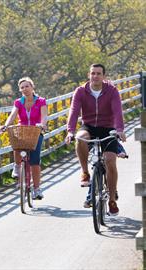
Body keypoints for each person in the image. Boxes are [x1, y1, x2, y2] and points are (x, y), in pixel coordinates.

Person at [65, 63, 126, 216]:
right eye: (93, 73)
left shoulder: (112, 91)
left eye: (99, 73)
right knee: (80, 138)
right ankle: (85, 172)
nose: (95, 76)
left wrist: (120, 130)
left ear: (104, 76)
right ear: (89, 75)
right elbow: (73, 112)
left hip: (108, 127)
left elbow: (117, 111)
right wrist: (70, 131)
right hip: (89, 126)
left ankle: (112, 200)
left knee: (110, 161)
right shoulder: (80, 91)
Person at [0, 77, 48, 200]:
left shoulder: (41, 101)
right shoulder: (18, 102)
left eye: (27, 86)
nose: (25, 89)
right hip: (22, 130)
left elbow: (44, 116)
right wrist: (6, 125)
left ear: (32, 87)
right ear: (20, 90)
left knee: (35, 161)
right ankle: (17, 166)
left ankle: (36, 189)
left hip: (36, 131)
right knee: (15, 142)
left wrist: (42, 124)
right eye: (22, 87)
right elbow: (13, 115)